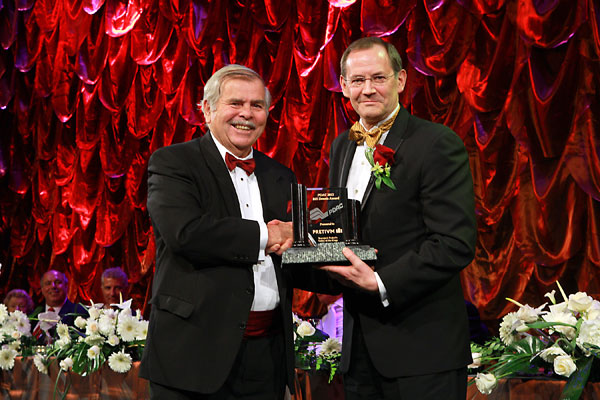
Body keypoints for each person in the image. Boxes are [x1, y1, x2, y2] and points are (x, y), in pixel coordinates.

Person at [322, 37, 477, 399]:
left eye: (379, 77)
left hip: (423, 352)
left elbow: (454, 244)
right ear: (344, 86)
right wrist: (303, 241)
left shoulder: (437, 143)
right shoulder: (343, 145)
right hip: (358, 352)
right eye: (358, 80)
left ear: (401, 80)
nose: (368, 89)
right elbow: (343, 233)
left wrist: (380, 282)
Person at [139, 64, 298, 399]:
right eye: (235, 103)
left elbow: (293, 253)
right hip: (192, 355)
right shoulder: (173, 163)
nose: (246, 114)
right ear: (207, 109)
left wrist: (334, 252)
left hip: (265, 358)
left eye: (257, 105)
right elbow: (186, 232)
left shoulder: (280, 174)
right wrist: (269, 236)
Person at [31, 270, 88, 339]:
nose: (53, 286)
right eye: (48, 283)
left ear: (66, 286)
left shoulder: (79, 312)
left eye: (58, 282)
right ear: (42, 289)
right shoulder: (33, 315)